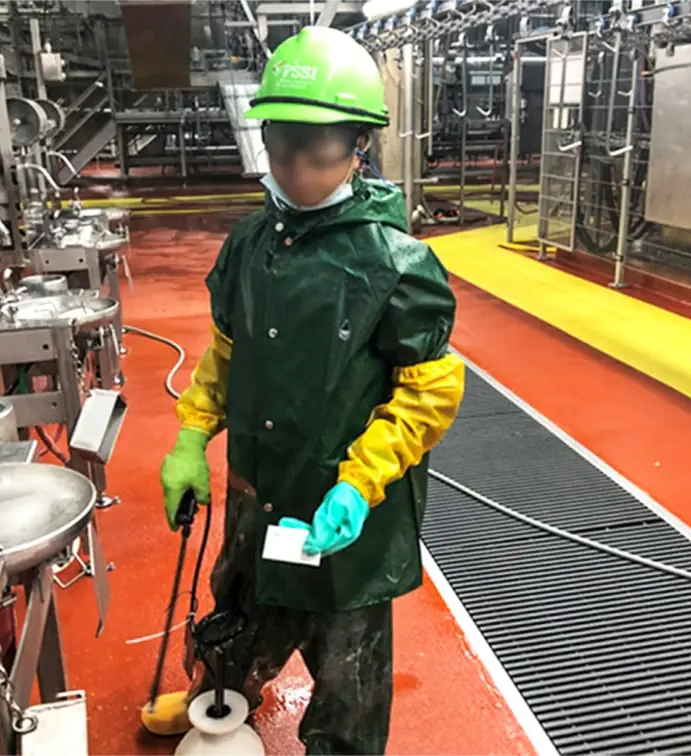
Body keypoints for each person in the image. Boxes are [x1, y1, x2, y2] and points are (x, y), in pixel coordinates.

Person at [141, 25, 465, 755]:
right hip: (263, 484)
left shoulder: (397, 263)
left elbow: (429, 389)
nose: (295, 169)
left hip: (346, 503)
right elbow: (228, 352)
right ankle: (216, 700)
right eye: (281, 146)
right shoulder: (252, 244)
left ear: (358, 147)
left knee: (347, 663)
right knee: (243, 602)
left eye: (317, 151)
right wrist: (192, 438)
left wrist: (359, 483)